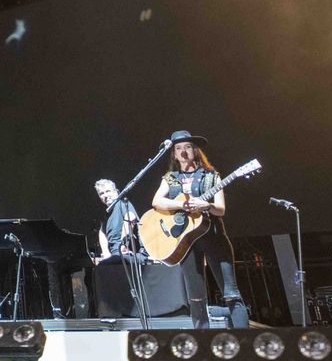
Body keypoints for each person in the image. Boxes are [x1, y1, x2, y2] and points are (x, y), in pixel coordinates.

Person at [151, 131, 248, 328]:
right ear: (174, 154)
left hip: (214, 238)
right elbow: (156, 201)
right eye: (178, 148)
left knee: (231, 293)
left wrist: (207, 206)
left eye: (187, 147)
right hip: (187, 243)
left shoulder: (212, 176)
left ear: (195, 150)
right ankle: (202, 343)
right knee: (196, 298)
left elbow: (220, 210)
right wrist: (180, 205)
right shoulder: (171, 178)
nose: (183, 151)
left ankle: (246, 341)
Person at [93, 179, 141, 262]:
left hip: (128, 254)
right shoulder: (107, 213)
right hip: (115, 254)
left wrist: (123, 245)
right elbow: (102, 232)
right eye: (101, 193)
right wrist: (106, 252)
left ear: (116, 191)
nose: (105, 195)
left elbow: (131, 218)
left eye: (108, 191)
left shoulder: (121, 203)